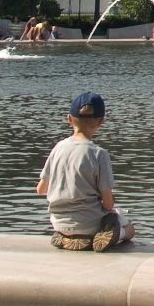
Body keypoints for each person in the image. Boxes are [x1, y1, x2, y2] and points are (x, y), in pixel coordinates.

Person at [36, 91, 134, 251]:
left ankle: (67, 237)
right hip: (90, 223)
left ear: (69, 119)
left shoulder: (58, 148)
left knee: (72, 224)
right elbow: (108, 204)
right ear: (100, 122)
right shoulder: (99, 154)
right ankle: (116, 234)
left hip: (59, 222)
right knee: (129, 228)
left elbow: (41, 190)